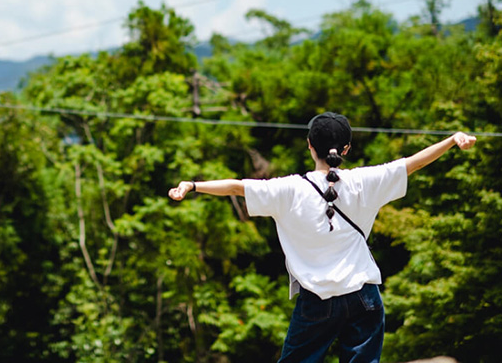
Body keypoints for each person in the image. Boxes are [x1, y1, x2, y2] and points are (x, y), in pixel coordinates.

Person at [168, 112, 476, 363]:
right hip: (364, 297)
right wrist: (452, 140)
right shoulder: (363, 182)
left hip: (316, 300)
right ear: (346, 149)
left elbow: (237, 186)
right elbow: (414, 163)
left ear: (309, 145)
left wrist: (193, 186)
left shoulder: (288, 189)